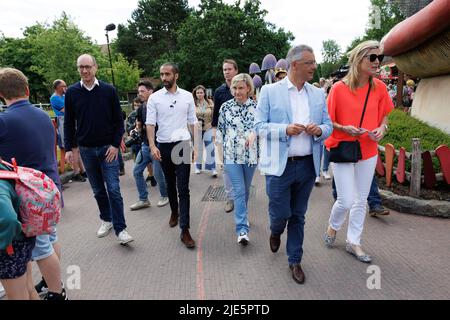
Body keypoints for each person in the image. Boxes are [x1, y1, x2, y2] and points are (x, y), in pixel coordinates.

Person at [255, 45, 333, 284]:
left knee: (298, 215)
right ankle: (276, 230)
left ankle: (295, 260)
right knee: (281, 213)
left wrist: (319, 130)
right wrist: (284, 130)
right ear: (295, 64)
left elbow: (329, 125)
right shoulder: (269, 91)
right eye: (310, 62)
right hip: (279, 167)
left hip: (307, 166)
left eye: (314, 62)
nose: (314, 66)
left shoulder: (318, 94)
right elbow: (258, 126)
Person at [324, 40, 394, 263]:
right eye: (372, 58)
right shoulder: (338, 89)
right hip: (343, 148)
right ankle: (333, 226)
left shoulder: (380, 87)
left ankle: (354, 241)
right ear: (358, 60)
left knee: (361, 199)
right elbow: (326, 121)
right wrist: (344, 128)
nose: (377, 62)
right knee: (346, 199)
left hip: (369, 149)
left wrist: (382, 128)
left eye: (379, 58)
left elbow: (385, 115)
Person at [0, 67, 66, 300]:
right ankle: (54, 285)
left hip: (28, 198)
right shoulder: (43, 116)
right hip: (50, 188)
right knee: (50, 239)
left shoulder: (4, 121)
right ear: (27, 89)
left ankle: (57, 292)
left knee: (41, 249)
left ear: (2, 95)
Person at [64, 54, 134, 245]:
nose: (85, 70)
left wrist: (114, 145)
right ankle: (106, 219)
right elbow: (69, 122)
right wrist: (70, 149)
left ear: (95, 67)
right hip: (86, 150)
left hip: (107, 149)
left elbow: (119, 121)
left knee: (113, 189)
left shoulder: (108, 90)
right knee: (97, 190)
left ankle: (121, 229)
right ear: (78, 69)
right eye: (81, 67)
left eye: (88, 66)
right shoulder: (71, 92)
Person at [146, 63, 197, 249]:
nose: (164, 77)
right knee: (169, 184)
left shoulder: (187, 96)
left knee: (183, 187)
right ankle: (174, 211)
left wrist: (196, 146)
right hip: (164, 146)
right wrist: (152, 145)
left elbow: (193, 122)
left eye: (167, 74)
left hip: (182, 145)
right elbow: (150, 124)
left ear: (176, 75)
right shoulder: (154, 98)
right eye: (161, 74)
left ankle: (185, 229)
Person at [217, 74, 258, 245]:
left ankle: (243, 214)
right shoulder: (225, 107)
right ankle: (242, 229)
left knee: (246, 190)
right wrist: (220, 158)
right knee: (239, 190)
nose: (237, 91)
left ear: (248, 88)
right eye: (235, 88)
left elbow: (261, 128)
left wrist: (254, 135)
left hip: (250, 157)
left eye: (241, 88)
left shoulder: (257, 107)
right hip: (231, 156)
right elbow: (220, 133)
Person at [129, 80, 169, 210]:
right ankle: (143, 199)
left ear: (150, 91)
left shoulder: (160, 106)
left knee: (158, 174)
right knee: (136, 172)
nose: (139, 94)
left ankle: (165, 196)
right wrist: (135, 130)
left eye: (142, 91)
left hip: (158, 145)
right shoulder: (141, 108)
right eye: (139, 91)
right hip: (145, 146)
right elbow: (139, 125)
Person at [0, 161, 36, 300]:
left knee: (17, 296)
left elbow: (7, 219)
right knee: (29, 290)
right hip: (21, 241)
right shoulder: (4, 165)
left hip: (9, 250)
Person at [212, 59, 239, 213]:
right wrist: (215, 132)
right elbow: (216, 114)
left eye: (229, 69)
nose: (226, 72)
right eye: (224, 70)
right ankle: (230, 198)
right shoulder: (219, 92)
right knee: (226, 168)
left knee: (241, 166)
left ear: (236, 70)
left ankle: (242, 195)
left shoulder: (243, 88)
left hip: (241, 136)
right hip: (225, 135)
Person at [50, 79, 86, 182]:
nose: (65, 88)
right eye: (63, 86)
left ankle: (82, 170)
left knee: (77, 147)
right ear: (57, 87)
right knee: (72, 147)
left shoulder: (65, 96)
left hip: (71, 121)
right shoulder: (55, 98)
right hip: (63, 122)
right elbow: (67, 110)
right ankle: (76, 172)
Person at [193, 85, 217, 177]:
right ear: (195, 94)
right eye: (198, 92)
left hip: (208, 127)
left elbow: (214, 115)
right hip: (197, 129)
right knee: (198, 149)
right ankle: (198, 167)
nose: (199, 94)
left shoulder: (209, 102)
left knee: (210, 148)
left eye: (201, 92)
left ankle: (213, 168)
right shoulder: (193, 103)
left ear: (204, 93)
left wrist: (214, 127)